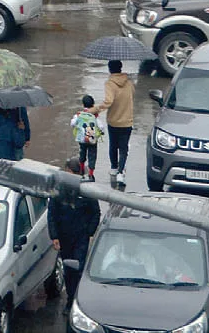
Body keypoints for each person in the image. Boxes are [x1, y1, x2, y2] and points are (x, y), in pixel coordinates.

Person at [50, 158, 101, 287]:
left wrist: (89, 232)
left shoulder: (87, 191)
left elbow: (95, 213)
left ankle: (77, 292)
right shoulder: (59, 190)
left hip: (80, 237)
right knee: (67, 268)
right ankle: (70, 293)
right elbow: (52, 214)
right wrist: (54, 236)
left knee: (78, 266)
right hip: (64, 236)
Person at [99, 59, 137, 188]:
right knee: (124, 147)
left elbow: (108, 101)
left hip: (113, 121)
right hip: (127, 121)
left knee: (113, 145)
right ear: (121, 68)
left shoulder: (110, 83)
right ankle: (121, 172)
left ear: (110, 69)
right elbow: (133, 95)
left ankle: (114, 168)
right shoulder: (129, 83)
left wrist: (96, 109)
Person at [70, 95, 102, 180]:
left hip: (82, 139)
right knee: (92, 156)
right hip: (92, 139)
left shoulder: (79, 115)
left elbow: (72, 124)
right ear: (93, 104)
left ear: (83, 104)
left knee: (82, 154)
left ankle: (81, 171)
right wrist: (101, 133)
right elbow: (101, 127)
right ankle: (91, 175)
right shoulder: (95, 116)